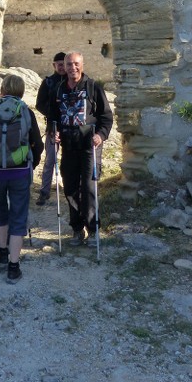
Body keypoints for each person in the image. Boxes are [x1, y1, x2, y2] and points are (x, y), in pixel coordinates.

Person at [48, 52, 113, 247]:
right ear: (64, 66)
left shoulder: (93, 87)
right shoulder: (58, 89)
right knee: (69, 188)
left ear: (82, 65)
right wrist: (54, 132)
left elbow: (106, 117)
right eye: (69, 64)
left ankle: (93, 230)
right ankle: (77, 229)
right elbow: (53, 118)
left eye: (76, 64)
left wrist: (100, 135)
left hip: (89, 146)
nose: (72, 68)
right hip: (68, 145)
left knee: (89, 187)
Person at [0, 73, 43, 283]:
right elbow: (38, 144)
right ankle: (13, 267)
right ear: (22, 90)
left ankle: (1, 252)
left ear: (3, 89)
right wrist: (30, 164)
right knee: (18, 216)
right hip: (19, 170)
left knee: (0, 210)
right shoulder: (26, 111)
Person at [35, 52, 67, 206]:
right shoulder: (47, 82)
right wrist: (52, 112)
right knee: (50, 159)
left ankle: (71, 189)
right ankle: (44, 191)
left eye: (63, 63)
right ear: (54, 65)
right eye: (58, 64)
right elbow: (39, 104)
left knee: (70, 160)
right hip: (53, 127)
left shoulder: (72, 81)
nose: (61, 66)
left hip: (70, 127)